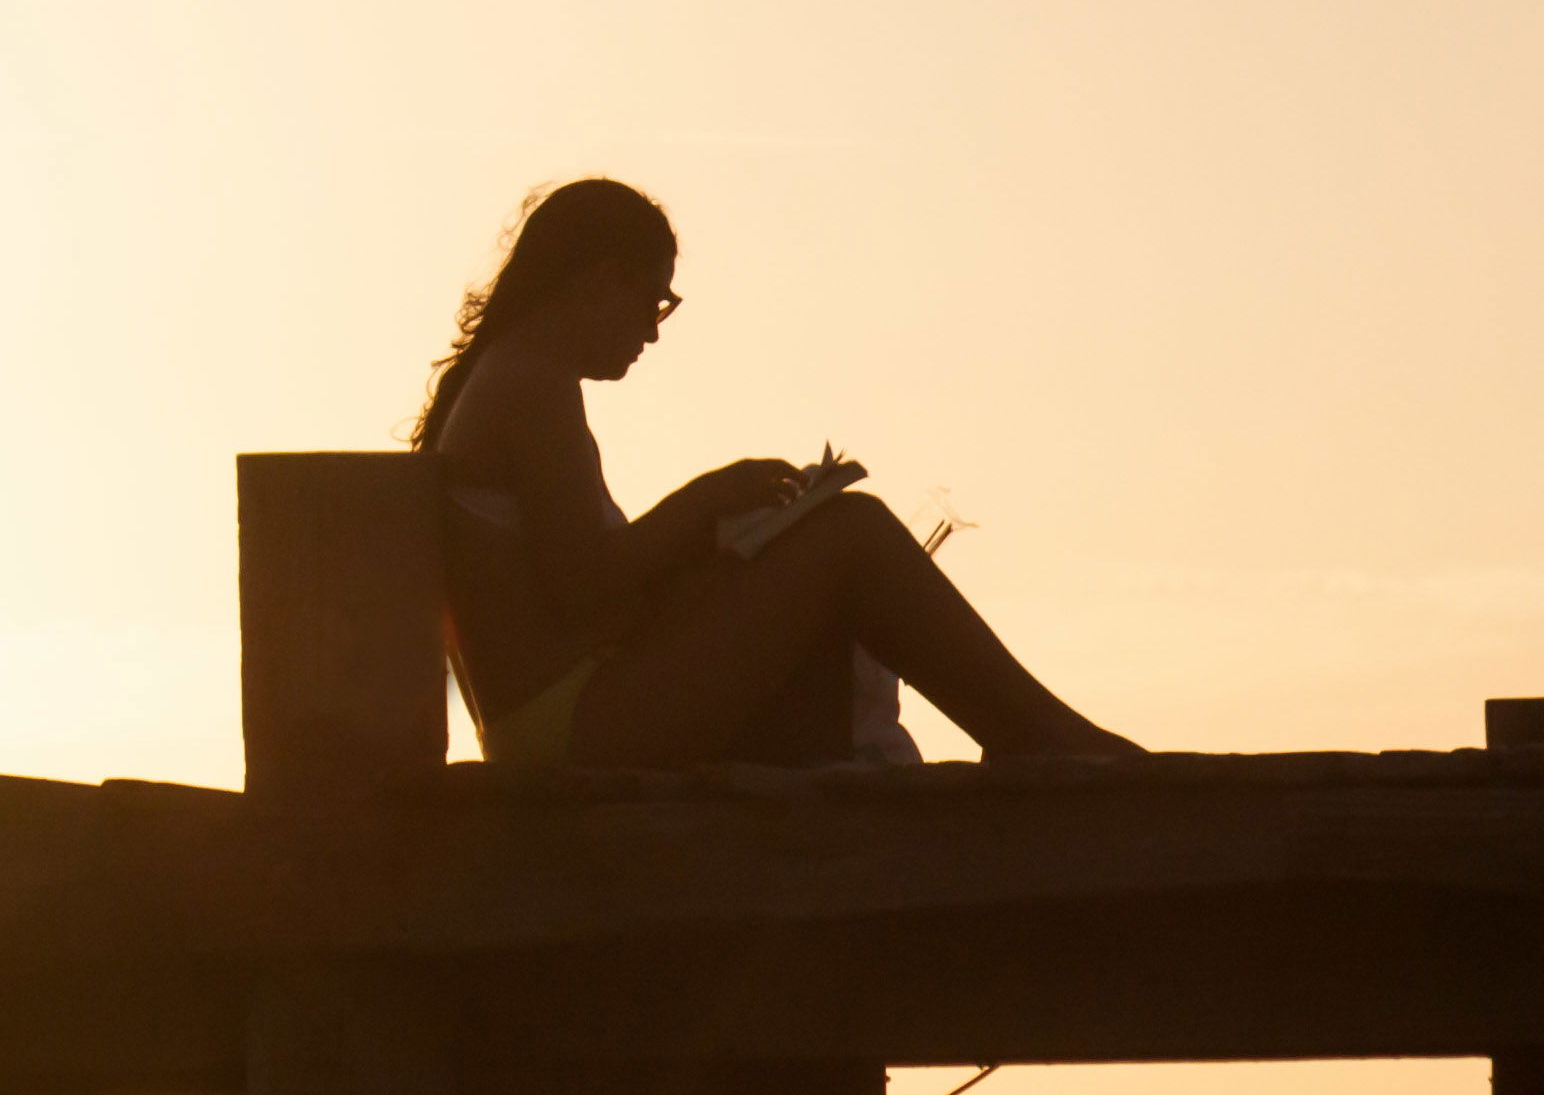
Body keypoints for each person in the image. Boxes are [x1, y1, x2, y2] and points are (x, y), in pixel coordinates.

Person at [414, 178, 1138, 766]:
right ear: (604, 281)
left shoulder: (510, 376)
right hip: (575, 729)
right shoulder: (533, 385)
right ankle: (1040, 734)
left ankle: (1032, 732)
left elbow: (575, 587)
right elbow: (583, 586)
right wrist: (708, 501)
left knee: (822, 555)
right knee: (852, 533)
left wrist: (722, 548)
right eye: (654, 300)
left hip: (564, 719)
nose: (654, 329)